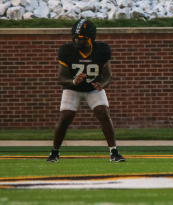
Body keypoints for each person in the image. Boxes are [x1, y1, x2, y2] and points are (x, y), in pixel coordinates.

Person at [47, 18, 125, 162]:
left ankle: (114, 152)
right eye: (76, 38)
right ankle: (54, 152)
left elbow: (108, 75)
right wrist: (73, 81)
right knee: (65, 117)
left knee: (103, 113)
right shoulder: (66, 50)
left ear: (91, 39)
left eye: (82, 38)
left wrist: (103, 84)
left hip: (93, 87)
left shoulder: (102, 50)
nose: (78, 41)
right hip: (73, 88)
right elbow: (60, 78)